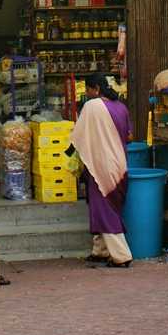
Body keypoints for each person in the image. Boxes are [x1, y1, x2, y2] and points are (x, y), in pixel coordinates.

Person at [70, 74, 133, 268]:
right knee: (102, 206)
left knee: (105, 209)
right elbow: (130, 136)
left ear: (95, 88)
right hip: (120, 164)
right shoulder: (121, 107)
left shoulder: (92, 106)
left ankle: (121, 255)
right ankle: (100, 250)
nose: (87, 94)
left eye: (88, 90)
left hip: (100, 165)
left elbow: (77, 136)